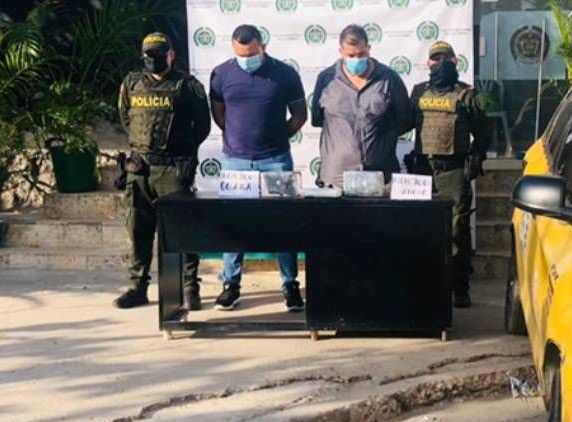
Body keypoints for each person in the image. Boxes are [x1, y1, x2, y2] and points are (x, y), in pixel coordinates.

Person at [208, 25, 307, 312]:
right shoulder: (221, 74)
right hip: (236, 161)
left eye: (251, 54)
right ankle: (231, 284)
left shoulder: (285, 74)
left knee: (283, 222)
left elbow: (300, 115)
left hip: (276, 159)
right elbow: (219, 112)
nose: (246, 59)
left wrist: (275, 137)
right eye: (240, 54)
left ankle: (290, 285)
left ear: (262, 46)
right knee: (234, 223)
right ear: (232, 48)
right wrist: (238, 139)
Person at [113, 32, 212, 310]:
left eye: (159, 55)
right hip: (139, 168)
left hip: (173, 168)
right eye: (149, 56)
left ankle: (190, 288)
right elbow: (125, 118)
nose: (154, 60)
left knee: (183, 230)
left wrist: (181, 154)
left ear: (171, 55)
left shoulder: (188, 86)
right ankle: (137, 286)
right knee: (138, 230)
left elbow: (201, 127)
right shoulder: (131, 83)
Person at [406, 41, 489, 308]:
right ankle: (424, 284)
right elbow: (404, 123)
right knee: (420, 228)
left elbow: (484, 133)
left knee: (457, 230)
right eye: (435, 58)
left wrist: (476, 158)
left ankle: (459, 286)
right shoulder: (418, 92)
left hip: (453, 170)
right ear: (428, 63)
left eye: (446, 58)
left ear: (455, 62)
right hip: (422, 170)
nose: (440, 62)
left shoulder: (466, 94)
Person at [311, 24, 412, 189]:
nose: (356, 59)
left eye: (361, 54)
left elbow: (405, 120)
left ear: (369, 49)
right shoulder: (326, 80)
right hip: (336, 178)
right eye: (351, 55)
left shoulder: (389, 78)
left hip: (379, 177)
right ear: (341, 51)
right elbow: (318, 119)